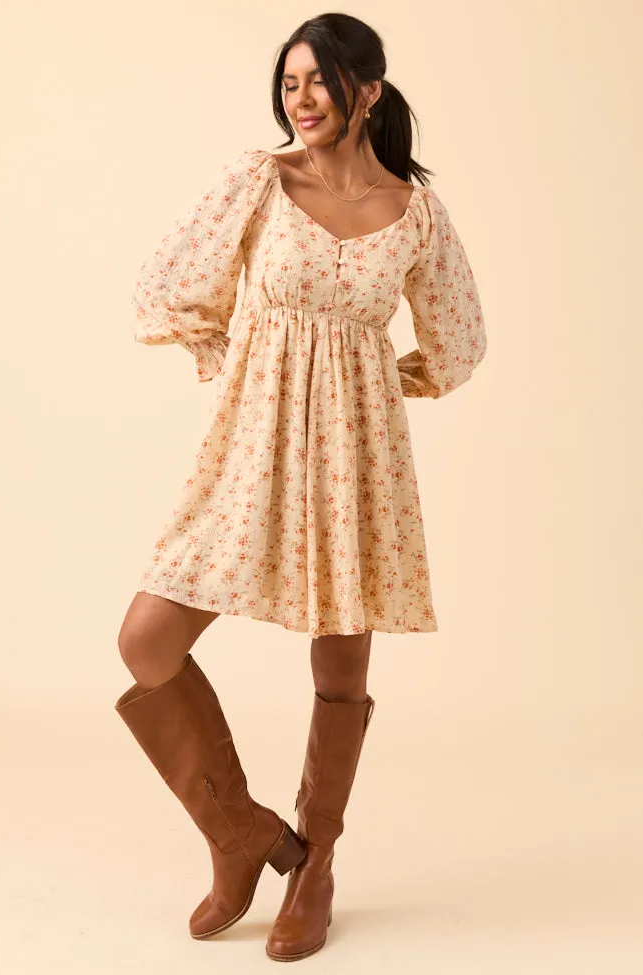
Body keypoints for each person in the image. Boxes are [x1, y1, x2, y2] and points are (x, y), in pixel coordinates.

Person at [114, 11, 487, 964]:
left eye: (319, 80)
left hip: (359, 464)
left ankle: (314, 867)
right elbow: (169, 284)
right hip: (251, 449)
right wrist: (234, 364)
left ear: (368, 90)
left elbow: (457, 343)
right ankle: (242, 834)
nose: (302, 98)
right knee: (147, 639)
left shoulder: (416, 212)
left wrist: (374, 387)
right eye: (290, 83)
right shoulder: (259, 180)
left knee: (340, 673)